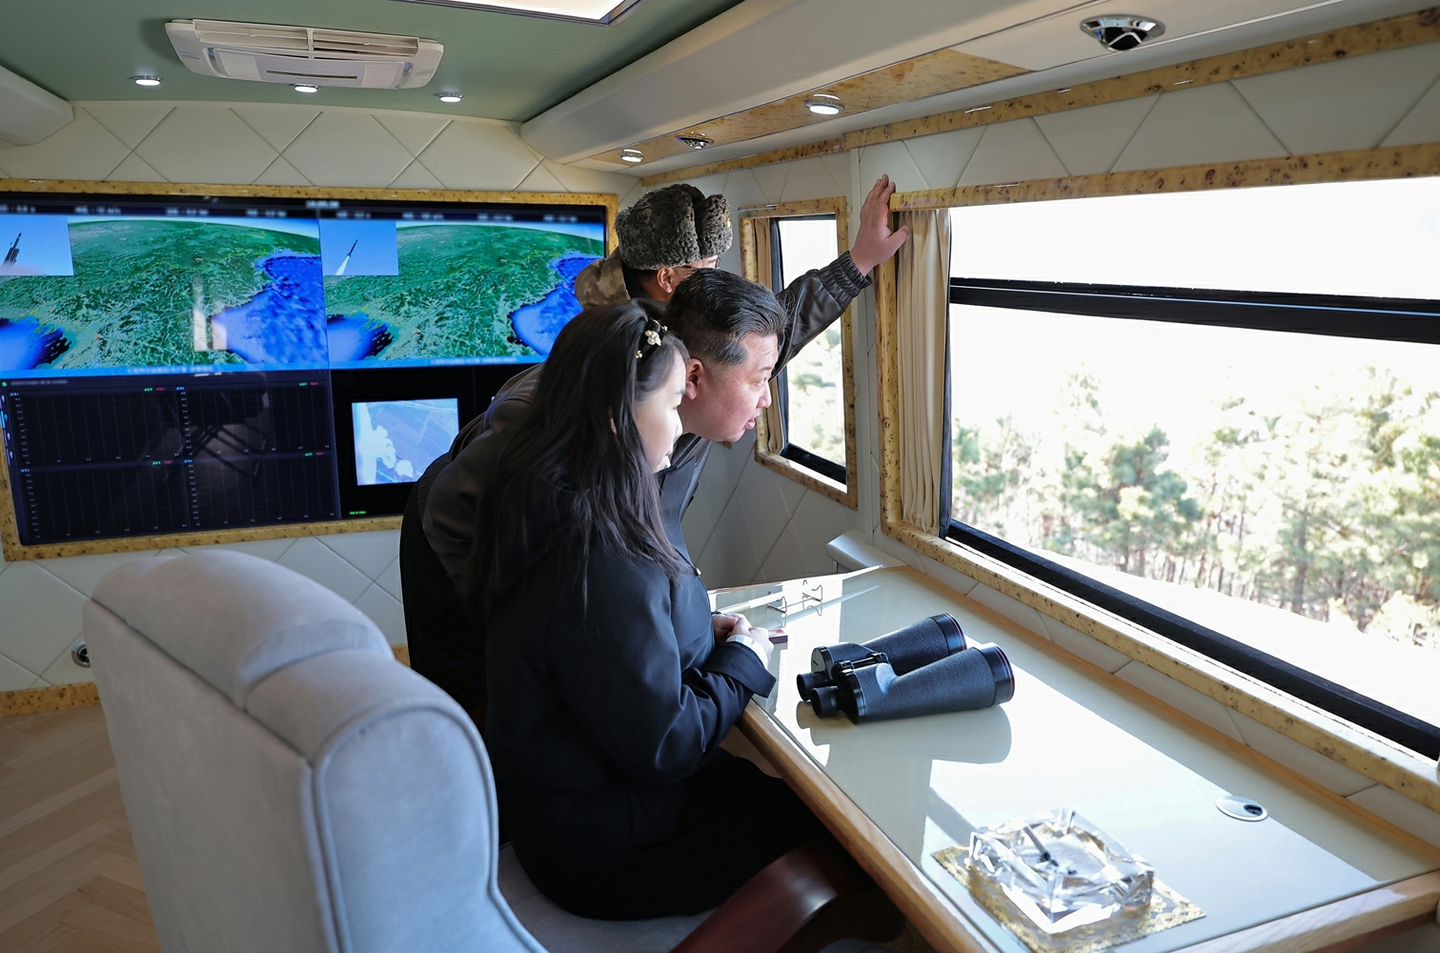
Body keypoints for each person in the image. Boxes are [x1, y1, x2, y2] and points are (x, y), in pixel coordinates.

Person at [399, 176, 910, 721]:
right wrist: (534, 629)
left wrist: (856, 263)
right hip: (458, 533)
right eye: (708, 269)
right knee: (490, 709)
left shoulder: (696, 342)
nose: (721, 282)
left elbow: (765, 343)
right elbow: (453, 516)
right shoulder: (584, 388)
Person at [469, 300, 827, 918]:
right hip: (604, 848)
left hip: (557, 810)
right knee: (824, 835)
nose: (676, 424)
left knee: (768, 796)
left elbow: (592, 648)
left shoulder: (537, 490)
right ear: (616, 418)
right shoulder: (600, 546)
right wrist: (743, 660)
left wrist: (689, 633)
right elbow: (665, 745)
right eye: (668, 406)